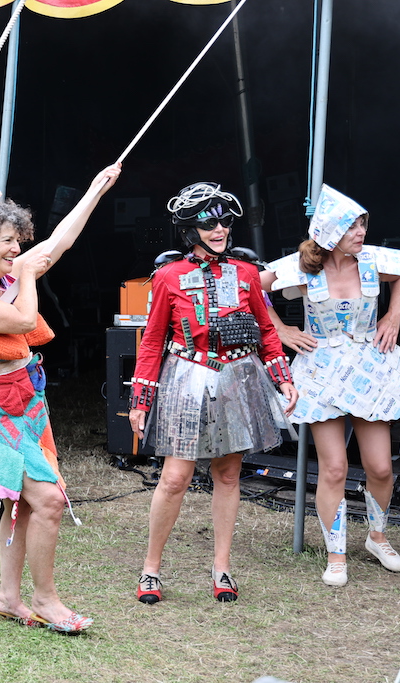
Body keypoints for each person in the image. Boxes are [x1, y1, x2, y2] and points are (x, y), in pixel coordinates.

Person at [0, 163, 121, 635]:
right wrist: (24, 274)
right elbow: (24, 322)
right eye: (7, 240)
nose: (17, 248)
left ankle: (9, 597)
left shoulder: (11, 272)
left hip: (28, 403)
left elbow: (60, 241)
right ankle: (45, 600)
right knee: (47, 501)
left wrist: (94, 188)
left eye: (18, 239)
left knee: (18, 505)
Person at [261, 184, 400, 587]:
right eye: (352, 227)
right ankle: (336, 554)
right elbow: (254, 287)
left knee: (379, 466)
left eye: (362, 225)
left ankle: (377, 538)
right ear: (328, 233)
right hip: (322, 369)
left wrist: (393, 315)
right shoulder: (302, 265)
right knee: (336, 467)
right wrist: (281, 329)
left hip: (368, 366)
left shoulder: (374, 260)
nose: (361, 232)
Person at [127, 182, 298, 605]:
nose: (219, 228)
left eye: (224, 221)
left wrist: (283, 378)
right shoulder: (168, 276)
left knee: (227, 474)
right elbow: (151, 341)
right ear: (190, 229)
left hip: (238, 380)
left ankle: (222, 568)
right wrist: (140, 400)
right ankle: (151, 570)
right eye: (208, 222)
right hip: (186, 378)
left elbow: (265, 330)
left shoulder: (245, 274)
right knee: (174, 478)